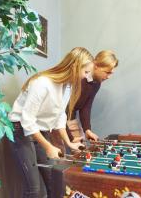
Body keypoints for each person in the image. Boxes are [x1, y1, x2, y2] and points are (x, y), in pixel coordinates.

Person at [8, 47, 93, 198]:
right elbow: (27, 120)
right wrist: (48, 146)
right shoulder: (42, 83)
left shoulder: (67, 86)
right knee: (34, 189)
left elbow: (60, 115)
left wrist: (69, 142)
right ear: (75, 67)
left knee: (54, 182)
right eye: (86, 72)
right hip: (21, 129)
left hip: (41, 130)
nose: (87, 77)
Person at [67, 50, 118, 142]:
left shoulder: (97, 83)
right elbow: (64, 108)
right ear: (96, 66)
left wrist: (87, 130)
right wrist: (70, 137)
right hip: (59, 120)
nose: (108, 77)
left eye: (111, 73)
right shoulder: (80, 77)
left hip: (70, 118)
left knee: (79, 147)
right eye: (107, 72)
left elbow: (86, 107)